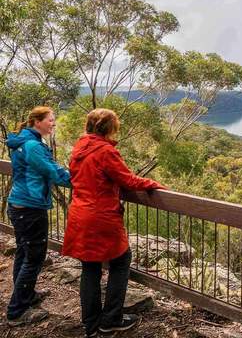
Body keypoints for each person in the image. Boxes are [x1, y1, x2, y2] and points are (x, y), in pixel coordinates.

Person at [62, 108, 167, 338]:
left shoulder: (79, 148)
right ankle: (111, 320)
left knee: (90, 268)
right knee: (121, 261)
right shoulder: (105, 151)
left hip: (80, 214)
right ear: (109, 128)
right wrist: (153, 183)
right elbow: (126, 179)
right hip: (101, 216)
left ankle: (91, 325)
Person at [6, 106, 71, 327]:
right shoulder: (33, 145)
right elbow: (55, 173)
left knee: (24, 253)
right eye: (50, 120)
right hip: (30, 208)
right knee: (33, 258)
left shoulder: (24, 140)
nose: (53, 123)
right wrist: (84, 179)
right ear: (37, 121)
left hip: (19, 204)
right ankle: (16, 311)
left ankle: (26, 296)